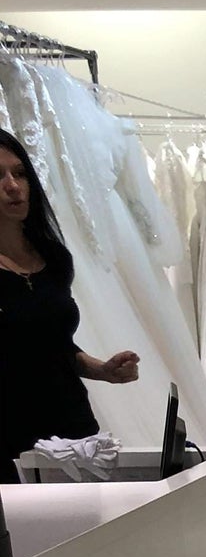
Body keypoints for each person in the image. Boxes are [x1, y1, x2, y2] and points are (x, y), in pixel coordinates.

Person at [0, 129, 139, 481]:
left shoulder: (53, 258)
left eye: (20, 173)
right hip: (9, 436)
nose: (12, 186)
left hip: (72, 428)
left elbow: (55, 347)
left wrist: (103, 370)